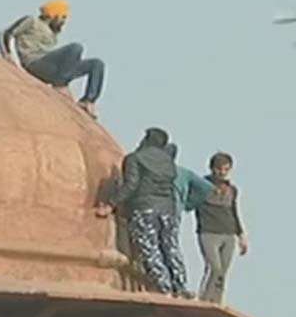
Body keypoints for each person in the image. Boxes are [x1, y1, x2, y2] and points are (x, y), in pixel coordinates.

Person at [96, 128, 190, 297]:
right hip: (168, 209)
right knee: (171, 248)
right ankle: (180, 287)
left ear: (147, 140)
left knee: (149, 248)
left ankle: (164, 287)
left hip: (144, 207)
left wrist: (111, 204)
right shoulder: (168, 162)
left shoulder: (135, 158)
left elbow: (131, 185)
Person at [0, 0, 105, 118]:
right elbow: (6, 34)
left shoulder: (52, 32)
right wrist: (7, 56)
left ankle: (87, 101)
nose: (64, 21)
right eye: (63, 17)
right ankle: (61, 84)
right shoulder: (32, 21)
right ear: (54, 15)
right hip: (35, 63)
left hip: (52, 69)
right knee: (75, 48)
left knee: (96, 64)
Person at [195, 152, 248, 303]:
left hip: (228, 232)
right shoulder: (201, 185)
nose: (222, 173)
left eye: (226, 169)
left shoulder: (232, 190)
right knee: (214, 268)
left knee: (223, 272)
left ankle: (216, 300)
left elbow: (234, 212)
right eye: (219, 169)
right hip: (208, 231)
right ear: (212, 168)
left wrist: (241, 235)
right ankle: (204, 299)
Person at [166, 143, 215, 217]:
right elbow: (206, 187)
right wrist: (188, 204)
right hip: (175, 209)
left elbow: (206, 187)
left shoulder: (150, 171)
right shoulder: (183, 172)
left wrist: (189, 204)